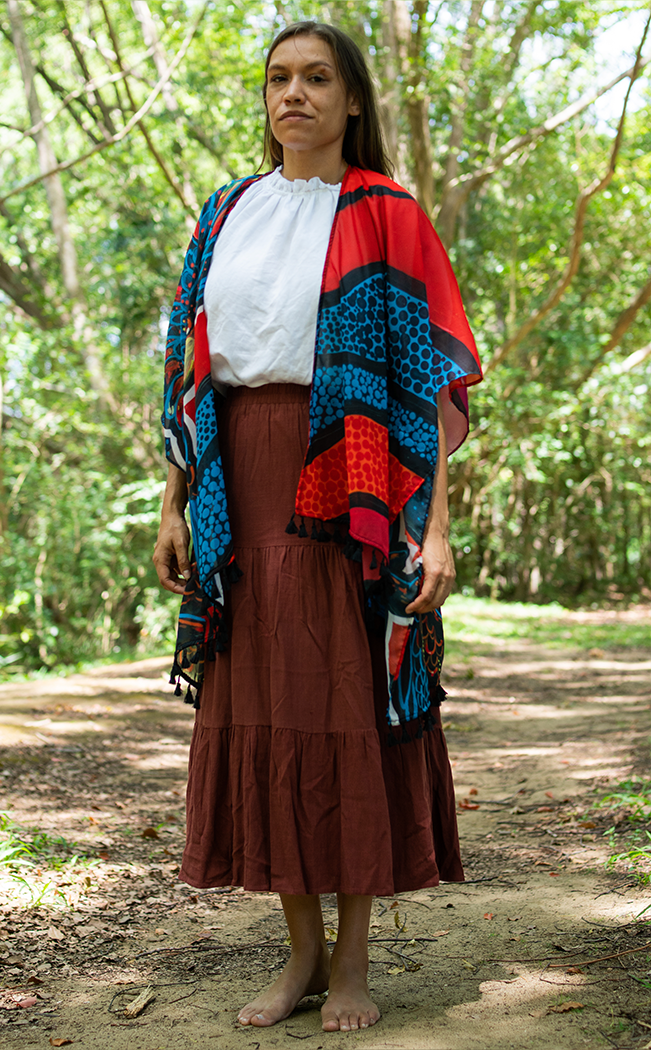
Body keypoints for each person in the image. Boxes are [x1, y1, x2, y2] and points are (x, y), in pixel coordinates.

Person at [153, 20, 482, 1034]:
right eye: (276, 80)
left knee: (344, 703)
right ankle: (296, 956)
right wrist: (173, 503)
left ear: (351, 100)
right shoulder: (225, 213)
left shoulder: (387, 214)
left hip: (350, 479)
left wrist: (432, 529)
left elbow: (429, 381)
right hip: (234, 484)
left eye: (315, 78)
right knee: (258, 708)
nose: (292, 95)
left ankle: (351, 967)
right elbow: (185, 369)